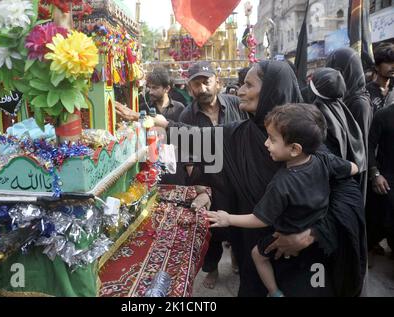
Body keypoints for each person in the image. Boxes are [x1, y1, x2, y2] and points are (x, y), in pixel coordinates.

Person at [152, 60, 366, 296]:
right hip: (254, 249)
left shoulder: (308, 133)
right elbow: (198, 138)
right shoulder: (240, 134)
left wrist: (311, 234)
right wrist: (162, 125)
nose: (240, 91)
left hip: (307, 258)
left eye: (249, 85)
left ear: (273, 89)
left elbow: (348, 196)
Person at [206, 103, 359, 297]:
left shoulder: (282, 182)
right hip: (318, 237)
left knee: (257, 254)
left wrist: (228, 219)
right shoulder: (324, 160)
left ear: (295, 149)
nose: (266, 144)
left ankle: (274, 292)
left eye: (272, 139)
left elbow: (261, 219)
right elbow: (353, 167)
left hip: (285, 236)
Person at [178, 61, 248, 289]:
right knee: (214, 229)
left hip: (240, 176)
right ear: (190, 89)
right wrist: (201, 191)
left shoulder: (237, 104)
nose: (202, 88)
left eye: (206, 81)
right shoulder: (187, 115)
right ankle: (213, 268)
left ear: (217, 82)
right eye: (196, 84)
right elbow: (188, 156)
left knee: (241, 224)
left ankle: (239, 257)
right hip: (211, 181)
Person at [326, 47, 372, 201]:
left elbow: (360, 148)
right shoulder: (345, 98)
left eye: (338, 71)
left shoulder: (359, 104)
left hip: (355, 173)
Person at [367, 101, 394, 258]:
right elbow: (369, 146)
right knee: (381, 219)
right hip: (386, 177)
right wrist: (375, 173)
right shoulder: (383, 115)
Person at [366, 43, 394, 113]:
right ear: (376, 66)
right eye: (388, 62)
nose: (393, 66)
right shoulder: (366, 92)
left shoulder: (392, 90)